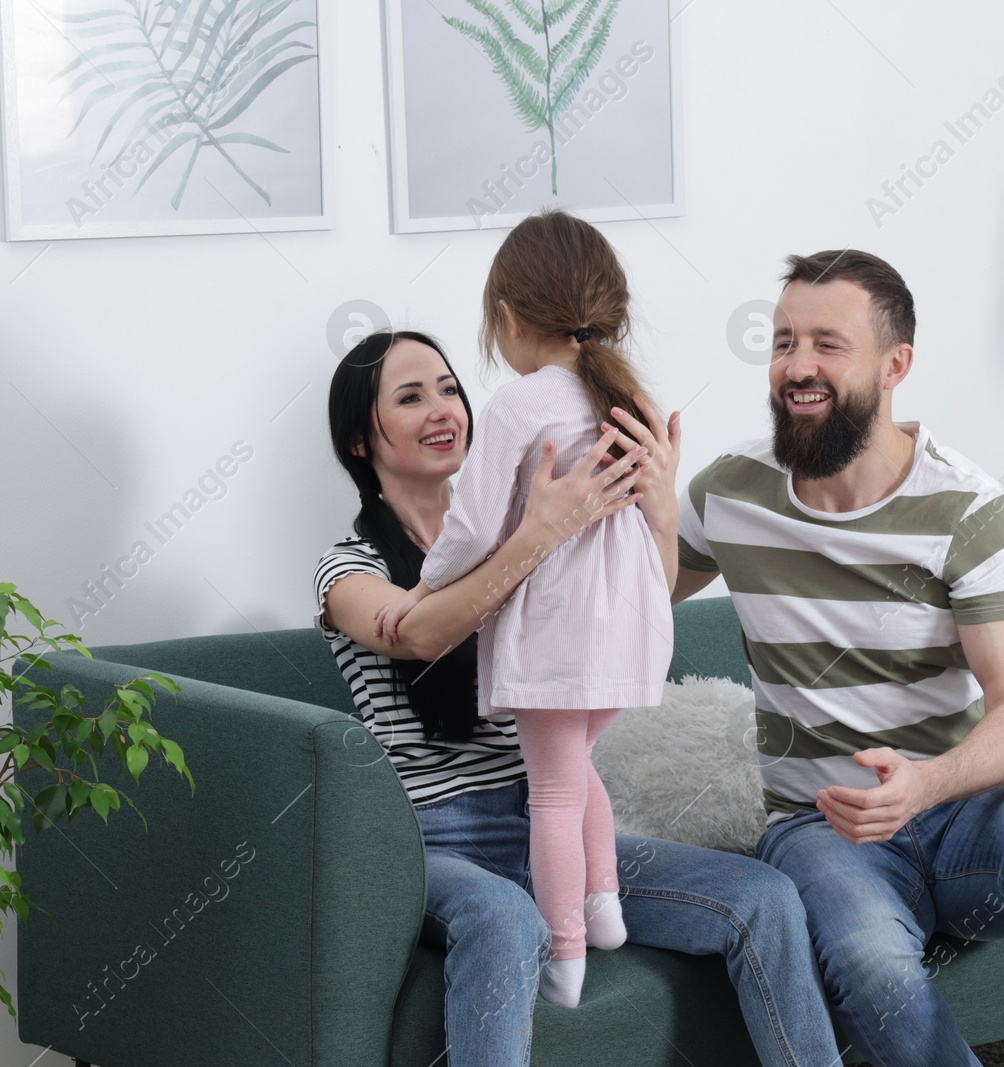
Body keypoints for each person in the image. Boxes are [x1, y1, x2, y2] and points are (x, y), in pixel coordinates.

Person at [317, 327, 838, 1067]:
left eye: (447, 388)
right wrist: (541, 532)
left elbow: (642, 605)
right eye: (409, 397)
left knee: (763, 897)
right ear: (359, 443)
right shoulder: (347, 568)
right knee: (503, 918)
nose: (443, 408)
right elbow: (418, 631)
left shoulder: (533, 518)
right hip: (430, 840)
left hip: (547, 823)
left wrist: (657, 507)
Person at [673, 250, 1004, 1066]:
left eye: (827, 344)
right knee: (870, 962)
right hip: (821, 823)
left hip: (965, 808)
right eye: (782, 341)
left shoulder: (967, 507)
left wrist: (928, 783)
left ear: (895, 363)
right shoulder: (727, 494)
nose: (797, 366)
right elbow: (626, 602)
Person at [375, 210, 673, 1007]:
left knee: (552, 791)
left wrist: (429, 580)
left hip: (559, 639)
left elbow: (470, 526)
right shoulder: (630, 396)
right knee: (577, 772)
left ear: (506, 317)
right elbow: (650, 528)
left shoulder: (518, 404)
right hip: (633, 633)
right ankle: (604, 904)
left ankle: (566, 955)